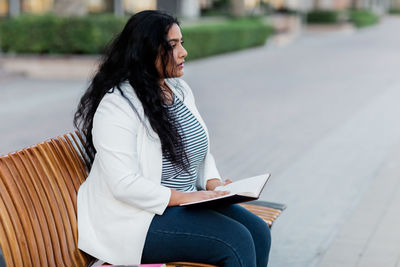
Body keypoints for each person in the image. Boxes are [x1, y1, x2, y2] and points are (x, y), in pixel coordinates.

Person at [74, 10, 271, 267]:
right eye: (172, 45)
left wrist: (214, 185)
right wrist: (182, 197)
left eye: (182, 43)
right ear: (146, 50)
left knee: (258, 232)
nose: (183, 52)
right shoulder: (118, 105)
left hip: (182, 205)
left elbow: (198, 150)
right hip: (138, 219)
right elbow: (123, 184)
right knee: (236, 241)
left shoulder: (178, 89)